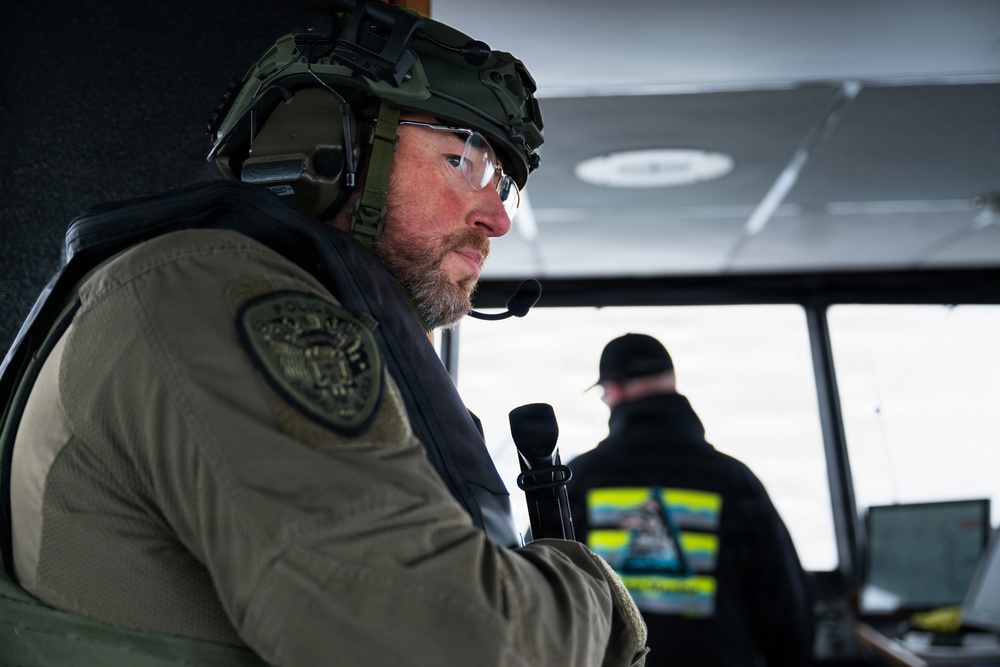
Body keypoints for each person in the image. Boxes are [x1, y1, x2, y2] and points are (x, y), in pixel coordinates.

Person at [0, 3, 648, 665]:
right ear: (326, 146)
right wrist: (594, 594)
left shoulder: (205, 290)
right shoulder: (218, 294)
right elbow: (441, 634)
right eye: (463, 161)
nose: (496, 218)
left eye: (502, 184)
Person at [566, 333, 814, 667]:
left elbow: (547, 589)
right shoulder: (734, 481)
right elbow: (785, 609)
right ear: (671, 382)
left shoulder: (579, 480)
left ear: (614, 391)